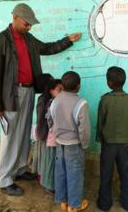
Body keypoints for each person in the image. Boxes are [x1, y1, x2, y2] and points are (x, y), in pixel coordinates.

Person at [0, 3, 81, 196]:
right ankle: (5, 179)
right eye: (26, 23)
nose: (29, 27)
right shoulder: (1, 40)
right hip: (10, 96)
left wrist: (67, 41)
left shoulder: (28, 39)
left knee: (23, 134)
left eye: (30, 25)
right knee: (10, 136)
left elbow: (47, 48)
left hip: (29, 92)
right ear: (15, 17)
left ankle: (20, 169)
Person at [96, 66, 128, 212]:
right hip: (126, 144)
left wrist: (101, 139)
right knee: (127, 174)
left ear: (109, 83)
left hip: (108, 144)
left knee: (106, 173)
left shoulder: (105, 100)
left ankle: (104, 204)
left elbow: (100, 122)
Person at [49, 71, 90, 212]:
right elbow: (84, 129)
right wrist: (84, 145)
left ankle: (63, 201)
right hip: (74, 144)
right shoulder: (81, 103)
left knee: (61, 171)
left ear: (63, 85)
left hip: (59, 142)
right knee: (75, 173)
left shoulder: (56, 100)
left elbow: (49, 118)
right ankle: (74, 205)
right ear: (78, 86)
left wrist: (55, 131)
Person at [36, 76, 63, 194]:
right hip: (52, 138)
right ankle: (49, 185)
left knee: (52, 161)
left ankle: (50, 184)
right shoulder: (51, 103)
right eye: (59, 89)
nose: (62, 92)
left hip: (53, 138)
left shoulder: (55, 101)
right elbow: (49, 121)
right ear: (51, 91)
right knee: (50, 162)